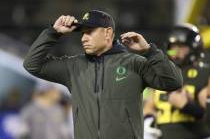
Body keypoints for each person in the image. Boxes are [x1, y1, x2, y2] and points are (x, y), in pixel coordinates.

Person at [23, 10, 182, 139]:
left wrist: (149, 51)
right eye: (82, 33)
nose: (84, 38)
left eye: (89, 32)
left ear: (108, 33)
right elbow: (31, 64)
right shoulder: (72, 66)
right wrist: (53, 32)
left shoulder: (134, 63)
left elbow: (173, 82)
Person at [143, 23, 210, 139]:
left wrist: (187, 106)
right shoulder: (162, 73)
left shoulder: (204, 73)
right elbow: (150, 105)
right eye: (173, 48)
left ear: (194, 47)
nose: (176, 52)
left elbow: (207, 115)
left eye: (181, 47)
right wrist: (149, 120)